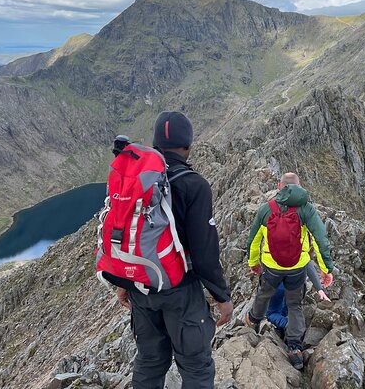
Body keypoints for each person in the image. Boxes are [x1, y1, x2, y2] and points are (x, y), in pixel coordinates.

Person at [115, 111, 233, 389]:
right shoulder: (194, 185)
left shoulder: (137, 180)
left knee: (149, 361)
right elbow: (205, 253)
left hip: (141, 288)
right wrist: (222, 297)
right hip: (182, 293)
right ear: (188, 146)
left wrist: (124, 280)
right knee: (196, 368)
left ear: (155, 143)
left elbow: (123, 233)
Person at [244, 172, 334, 370]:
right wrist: (326, 269)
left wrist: (253, 263)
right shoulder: (306, 210)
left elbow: (254, 240)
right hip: (296, 268)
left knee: (264, 294)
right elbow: (320, 240)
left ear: (279, 186)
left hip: (271, 266)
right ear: (298, 186)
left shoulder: (266, 209)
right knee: (295, 305)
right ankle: (294, 347)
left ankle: (252, 322)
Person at [266, 260, 330, 338]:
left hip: (277, 282)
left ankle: (287, 324)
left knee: (271, 313)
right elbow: (308, 264)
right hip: (296, 285)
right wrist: (319, 289)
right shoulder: (299, 249)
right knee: (288, 309)